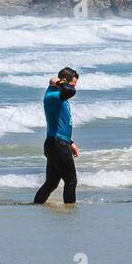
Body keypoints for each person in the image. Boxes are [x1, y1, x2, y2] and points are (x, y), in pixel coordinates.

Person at [34, 68, 79, 205]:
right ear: (63, 82)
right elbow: (70, 91)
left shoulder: (57, 95)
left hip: (56, 142)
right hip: (57, 144)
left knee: (51, 183)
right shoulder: (54, 96)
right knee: (71, 181)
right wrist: (59, 82)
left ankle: (35, 207)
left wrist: (70, 142)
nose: (73, 88)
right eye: (72, 84)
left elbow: (59, 122)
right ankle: (70, 211)